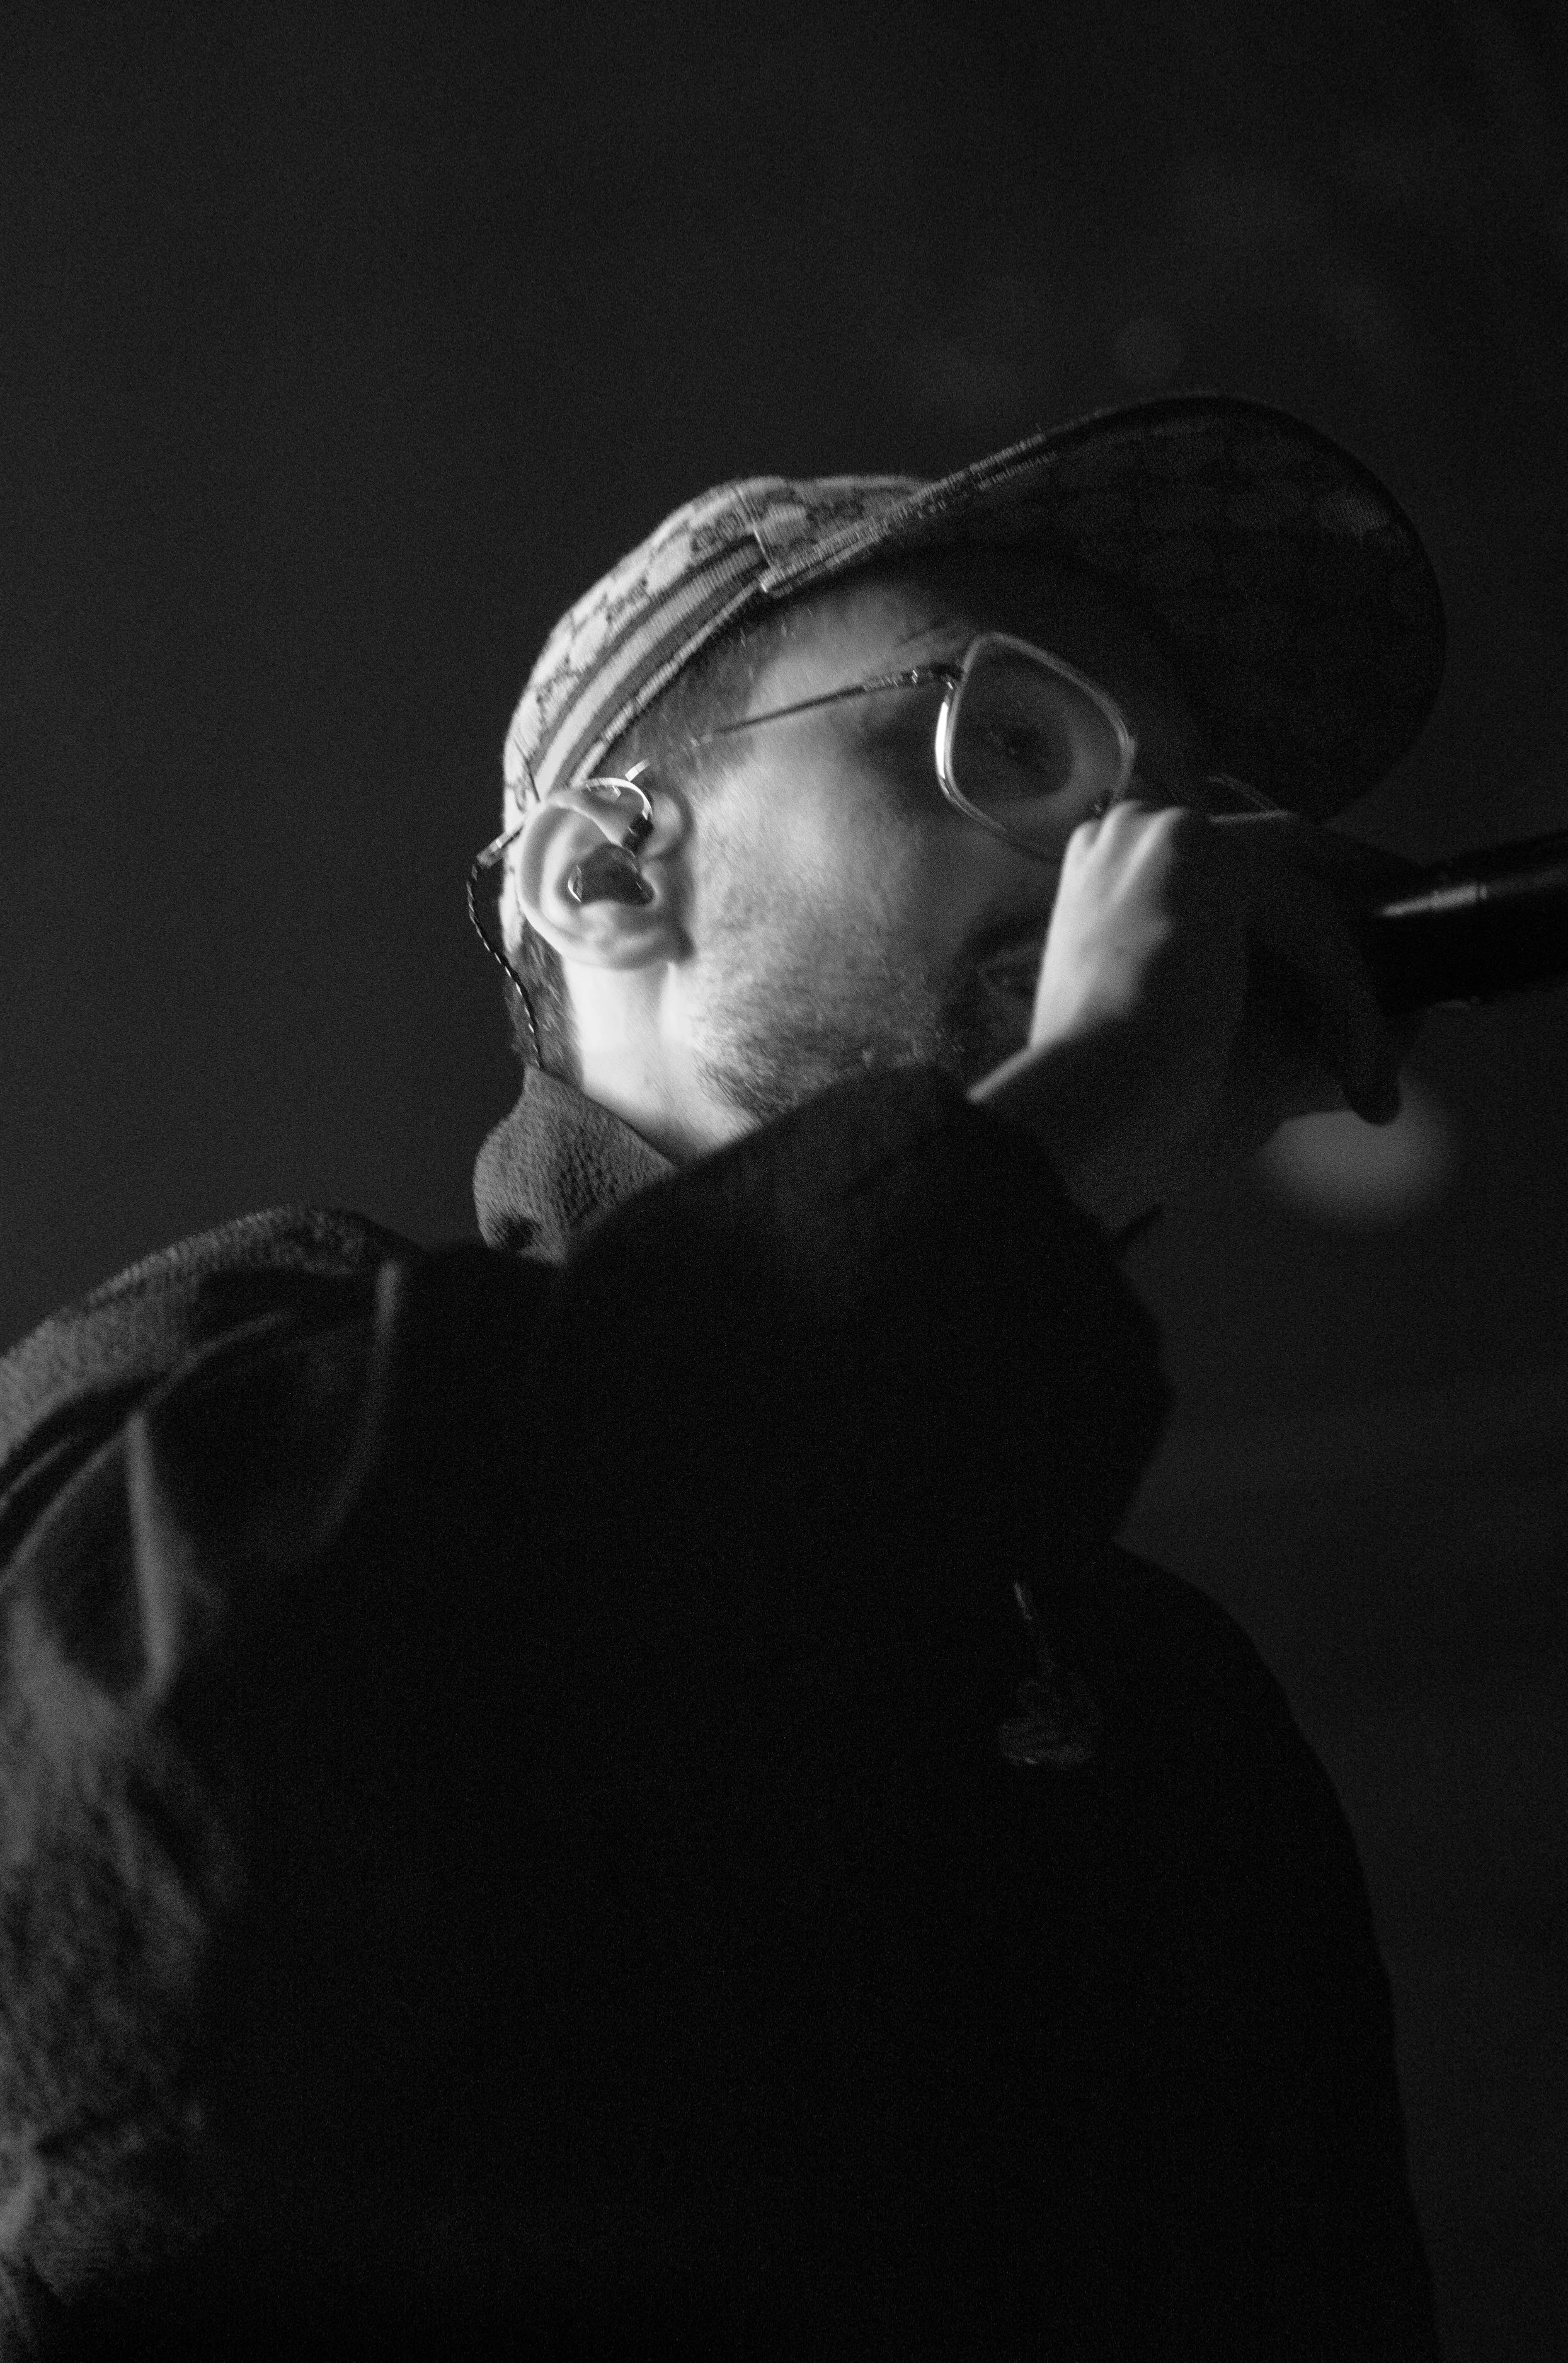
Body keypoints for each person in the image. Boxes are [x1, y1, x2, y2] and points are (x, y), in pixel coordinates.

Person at [0, 393, 1445, 2359]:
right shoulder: (239, 1378)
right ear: (606, 871)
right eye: (1007, 745)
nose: (1138, 866)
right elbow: (136, 1927)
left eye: (1181, 809)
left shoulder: (1155, 1692)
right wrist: (1057, 1120)